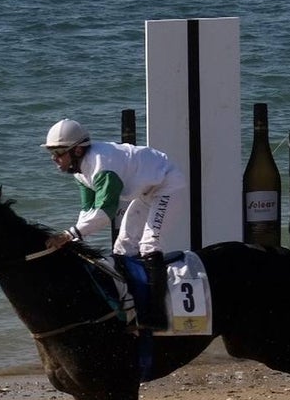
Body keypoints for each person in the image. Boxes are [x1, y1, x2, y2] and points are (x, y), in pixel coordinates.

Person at [42, 118, 187, 331]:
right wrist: (73, 235)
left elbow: (104, 213)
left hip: (168, 186)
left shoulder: (102, 167)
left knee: (149, 244)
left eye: (59, 153)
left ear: (78, 151)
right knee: (123, 247)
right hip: (148, 191)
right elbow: (88, 211)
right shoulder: (81, 171)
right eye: (52, 153)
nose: (54, 159)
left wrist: (69, 234)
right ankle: (132, 308)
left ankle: (156, 317)